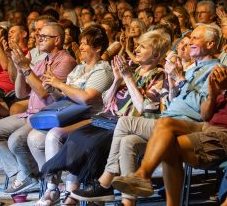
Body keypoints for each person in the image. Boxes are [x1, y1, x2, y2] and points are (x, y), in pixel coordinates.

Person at [71, 24, 221, 205]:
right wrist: (174, 85)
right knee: (128, 142)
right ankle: (128, 202)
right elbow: (175, 102)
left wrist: (179, 80)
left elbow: (202, 108)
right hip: (168, 119)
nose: (190, 43)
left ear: (211, 44)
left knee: (125, 122)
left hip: (189, 124)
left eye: (196, 38)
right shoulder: (189, 69)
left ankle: (105, 181)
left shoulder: (215, 70)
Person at [41, 30, 170, 205]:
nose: (137, 49)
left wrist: (127, 78)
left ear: (155, 54)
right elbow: (107, 101)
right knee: (77, 135)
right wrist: (117, 80)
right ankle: (77, 192)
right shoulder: (134, 69)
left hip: (131, 125)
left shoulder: (159, 75)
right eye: (137, 45)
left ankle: (89, 192)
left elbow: (143, 107)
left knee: (93, 144)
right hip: (108, 119)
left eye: (143, 46)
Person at [111, 66, 227, 206]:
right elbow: (205, 115)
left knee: (170, 147)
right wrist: (213, 93)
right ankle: (142, 175)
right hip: (205, 126)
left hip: (224, 133)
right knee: (165, 122)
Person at [0, 22, 76, 195]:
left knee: (15, 141)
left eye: (44, 37)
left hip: (47, 115)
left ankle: (29, 175)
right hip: (29, 114)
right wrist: (19, 69)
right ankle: (21, 173)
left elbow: (44, 93)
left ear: (57, 40)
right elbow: (20, 92)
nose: (38, 39)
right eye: (38, 36)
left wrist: (25, 68)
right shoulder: (41, 62)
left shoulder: (66, 61)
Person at [29, 26, 115, 206]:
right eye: (81, 44)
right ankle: (53, 186)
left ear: (98, 48)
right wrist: (53, 90)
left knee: (55, 135)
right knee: (34, 137)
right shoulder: (79, 69)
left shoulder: (102, 70)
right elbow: (66, 97)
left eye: (85, 44)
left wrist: (59, 84)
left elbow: (86, 99)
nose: (81, 48)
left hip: (93, 118)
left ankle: (67, 191)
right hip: (71, 115)